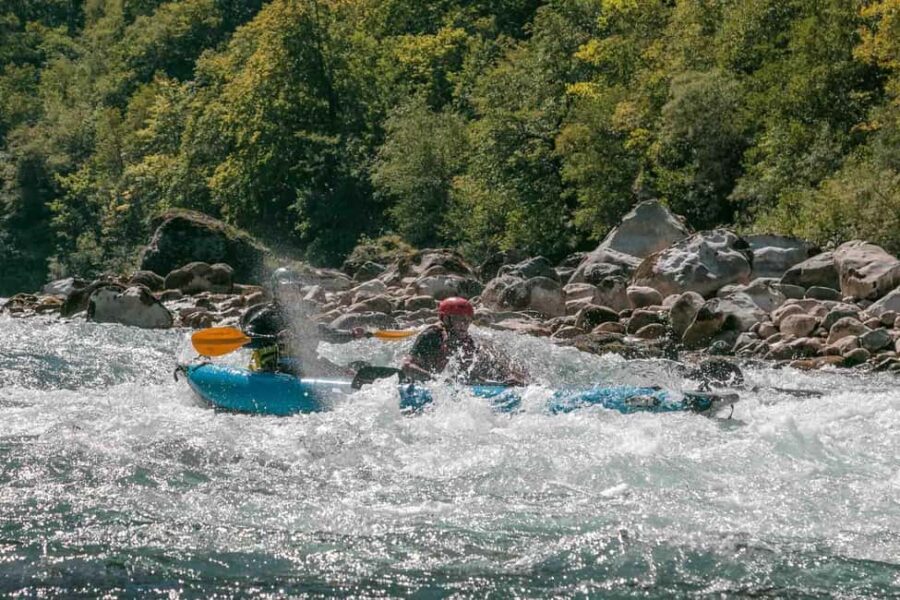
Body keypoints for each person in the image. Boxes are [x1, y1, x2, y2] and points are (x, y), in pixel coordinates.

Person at [401, 297, 526, 385]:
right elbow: (407, 366)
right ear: (445, 319)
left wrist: (502, 381)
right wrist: (436, 379)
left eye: (467, 320)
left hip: (438, 384)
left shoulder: (466, 341)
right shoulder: (431, 335)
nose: (464, 325)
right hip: (416, 382)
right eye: (458, 319)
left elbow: (470, 372)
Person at [241, 298, 366, 376]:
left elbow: (325, 332)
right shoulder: (265, 315)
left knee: (343, 370)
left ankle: (349, 374)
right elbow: (245, 338)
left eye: (293, 289)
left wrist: (351, 334)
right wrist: (274, 337)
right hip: (268, 367)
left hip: (299, 365)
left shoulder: (299, 316)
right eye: (285, 290)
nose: (290, 294)